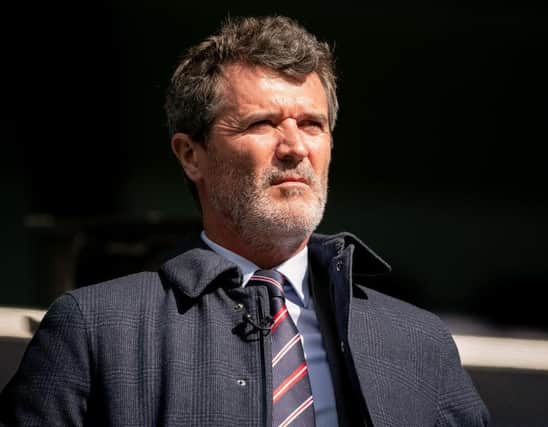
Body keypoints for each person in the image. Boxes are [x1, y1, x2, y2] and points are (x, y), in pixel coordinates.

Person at [0, 15, 489, 426]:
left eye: (312, 125)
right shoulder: (96, 329)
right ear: (192, 155)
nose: (296, 147)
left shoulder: (419, 342)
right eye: (263, 124)